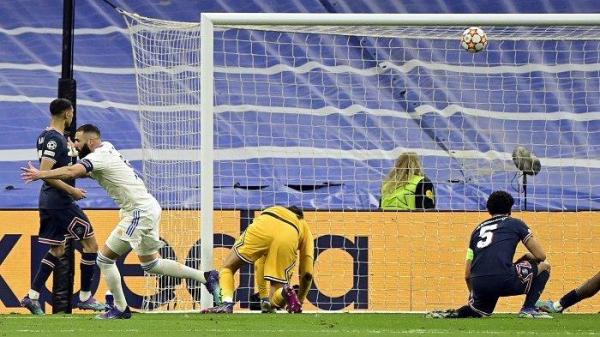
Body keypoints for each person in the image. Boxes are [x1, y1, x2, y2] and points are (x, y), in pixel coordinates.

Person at [21, 124, 221, 319]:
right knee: (151, 264)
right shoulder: (107, 148)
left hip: (138, 212)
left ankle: (120, 308)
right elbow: (86, 171)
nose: (75, 144)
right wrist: (71, 157)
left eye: (78, 141)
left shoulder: (98, 156)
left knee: (104, 259)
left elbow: (73, 172)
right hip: (148, 207)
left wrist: (41, 174)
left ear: (90, 141)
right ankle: (206, 276)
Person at [21, 99, 106, 315]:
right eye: (72, 112)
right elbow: (45, 173)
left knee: (57, 250)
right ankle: (86, 297)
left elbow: (62, 168)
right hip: (59, 202)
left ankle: (32, 297)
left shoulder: (48, 136)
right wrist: (72, 191)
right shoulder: (53, 138)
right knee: (91, 244)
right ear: (67, 113)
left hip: (51, 202)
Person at [427, 190, 552, 319]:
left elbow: (467, 274)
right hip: (504, 279)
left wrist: (474, 295)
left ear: (489, 210)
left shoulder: (477, 230)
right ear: (510, 209)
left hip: (479, 284)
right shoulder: (516, 224)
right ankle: (528, 308)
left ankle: (451, 313)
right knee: (545, 265)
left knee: (478, 311)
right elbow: (541, 256)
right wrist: (527, 257)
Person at [201, 205, 314, 314]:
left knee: (228, 267)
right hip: (289, 234)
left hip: (265, 222)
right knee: (275, 296)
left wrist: (263, 297)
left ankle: (226, 304)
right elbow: (307, 274)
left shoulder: (278, 210)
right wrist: (300, 299)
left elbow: (259, 264)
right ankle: (285, 291)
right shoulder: (304, 227)